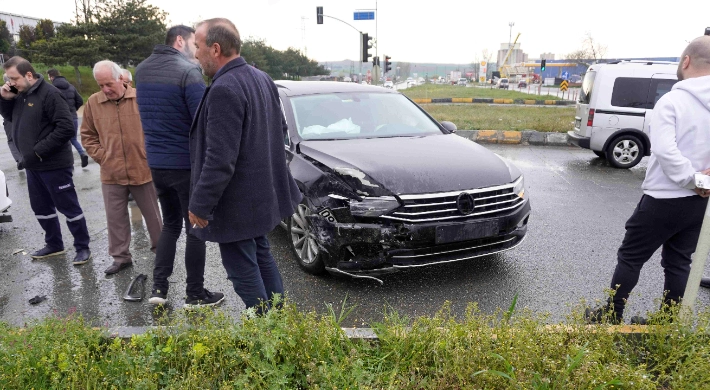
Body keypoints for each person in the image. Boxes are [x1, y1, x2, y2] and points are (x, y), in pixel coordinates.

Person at [587, 36, 710, 324]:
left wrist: (692, 180)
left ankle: (610, 315)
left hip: (665, 197)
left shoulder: (673, 101)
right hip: (700, 202)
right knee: (679, 262)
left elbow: (666, 151)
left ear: (686, 61)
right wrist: (703, 184)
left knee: (631, 256)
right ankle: (665, 324)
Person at [189, 18, 301, 312]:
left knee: (242, 269)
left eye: (197, 47)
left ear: (215, 49)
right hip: (260, 193)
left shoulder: (225, 88)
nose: (195, 54)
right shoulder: (260, 77)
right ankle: (278, 319)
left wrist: (200, 204)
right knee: (261, 254)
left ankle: (266, 328)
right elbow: (279, 130)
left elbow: (219, 159)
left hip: (237, 201)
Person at [135, 25, 224, 308]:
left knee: (170, 225)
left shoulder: (143, 69)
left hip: (157, 163)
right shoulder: (188, 71)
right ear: (178, 40)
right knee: (194, 227)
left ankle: (159, 290)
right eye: (192, 43)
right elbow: (203, 119)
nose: (195, 50)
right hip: (185, 164)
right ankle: (194, 294)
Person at [0, 57, 91, 264]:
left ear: (29, 75)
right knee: (41, 208)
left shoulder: (50, 94)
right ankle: (54, 244)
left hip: (54, 164)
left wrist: (38, 151)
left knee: (69, 207)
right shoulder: (20, 95)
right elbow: (11, 118)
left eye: (14, 78)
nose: (11, 83)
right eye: (8, 79)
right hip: (33, 165)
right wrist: (5, 99)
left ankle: (82, 247)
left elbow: (66, 127)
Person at [81, 60, 163, 275]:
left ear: (120, 78)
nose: (105, 89)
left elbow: (157, 129)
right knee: (115, 218)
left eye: (108, 84)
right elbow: (87, 135)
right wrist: (103, 157)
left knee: (153, 216)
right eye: (100, 86)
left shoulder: (140, 97)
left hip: (142, 169)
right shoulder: (93, 103)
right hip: (111, 172)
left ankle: (162, 254)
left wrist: (150, 155)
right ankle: (121, 258)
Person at [47, 68, 89, 168]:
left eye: (48, 77)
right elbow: (79, 100)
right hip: (73, 117)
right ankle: (82, 153)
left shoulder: (51, 88)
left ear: (51, 77)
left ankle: (70, 163)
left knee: (63, 141)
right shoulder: (71, 86)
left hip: (60, 119)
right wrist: (73, 110)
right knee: (73, 139)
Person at [2, 73, 23, 168]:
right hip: (16, 117)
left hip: (9, 119)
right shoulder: (21, 89)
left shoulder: (4, 91)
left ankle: (19, 159)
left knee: (11, 140)